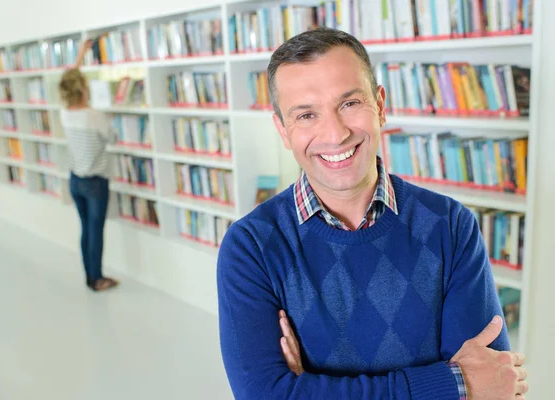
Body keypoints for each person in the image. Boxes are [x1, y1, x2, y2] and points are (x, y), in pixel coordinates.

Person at [217, 28, 529, 399]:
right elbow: (264, 395)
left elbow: (491, 386)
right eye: (306, 115)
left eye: (349, 104)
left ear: (379, 105)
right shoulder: (250, 246)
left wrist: (309, 387)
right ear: (283, 131)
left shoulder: (450, 224)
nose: (335, 134)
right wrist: (451, 384)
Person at [59, 39, 118, 292]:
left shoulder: (65, 112)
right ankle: (98, 279)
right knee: (96, 232)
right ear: (82, 89)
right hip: (95, 183)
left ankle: (89, 276)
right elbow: (112, 138)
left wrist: (82, 53)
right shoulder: (94, 116)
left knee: (85, 230)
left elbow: (69, 78)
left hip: (75, 181)